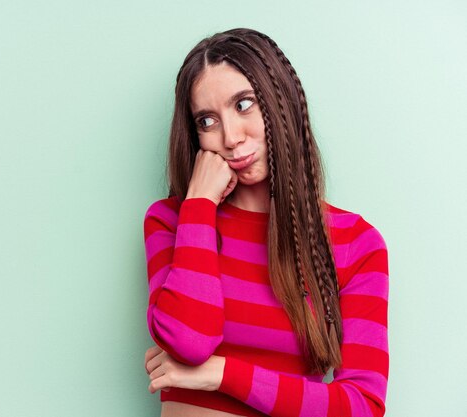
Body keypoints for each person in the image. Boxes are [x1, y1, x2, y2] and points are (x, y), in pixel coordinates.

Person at [142, 28, 389, 417]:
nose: (231, 137)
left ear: (279, 102)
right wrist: (200, 203)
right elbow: (190, 340)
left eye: (243, 105)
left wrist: (219, 375)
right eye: (207, 120)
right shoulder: (173, 221)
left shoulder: (354, 242)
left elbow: (361, 407)